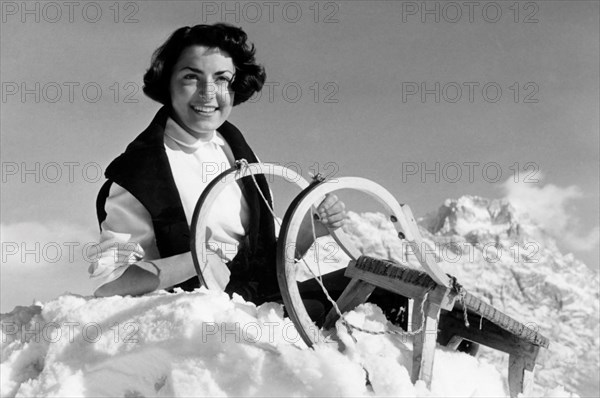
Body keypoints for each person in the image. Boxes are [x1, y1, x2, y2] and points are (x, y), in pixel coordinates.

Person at [90, 23, 346, 304]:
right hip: (200, 325)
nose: (208, 92)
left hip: (260, 309)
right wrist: (196, 260)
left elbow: (267, 264)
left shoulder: (240, 152)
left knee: (381, 293)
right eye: (191, 77)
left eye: (222, 78)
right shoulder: (140, 172)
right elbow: (110, 280)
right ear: (168, 82)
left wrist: (311, 228)